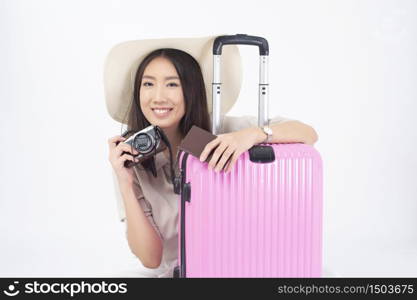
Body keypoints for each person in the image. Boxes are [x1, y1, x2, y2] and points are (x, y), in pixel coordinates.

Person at [104, 36, 318, 277]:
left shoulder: (213, 132)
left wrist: (251, 136)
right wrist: (124, 181)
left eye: (172, 84)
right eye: (148, 84)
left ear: (191, 89)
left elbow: (308, 134)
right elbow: (151, 259)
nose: (158, 97)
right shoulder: (131, 158)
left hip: (241, 265)